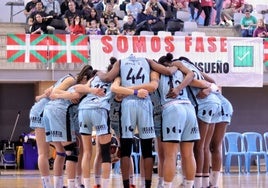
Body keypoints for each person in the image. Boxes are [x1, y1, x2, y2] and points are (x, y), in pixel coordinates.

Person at [97, 54, 163, 188]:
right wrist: (138, 90)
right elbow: (153, 86)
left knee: (126, 148)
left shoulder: (121, 66)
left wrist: (128, 90)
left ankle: (126, 184)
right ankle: (147, 185)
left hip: (127, 104)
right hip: (145, 103)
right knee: (146, 149)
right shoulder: (149, 64)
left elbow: (114, 87)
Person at [43, 65, 94, 188]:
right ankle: (72, 184)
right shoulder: (73, 81)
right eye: (89, 83)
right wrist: (72, 96)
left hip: (50, 111)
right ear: (85, 78)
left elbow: (48, 91)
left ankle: (60, 185)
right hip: (58, 111)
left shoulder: (72, 84)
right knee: (72, 151)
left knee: (62, 152)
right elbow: (54, 93)